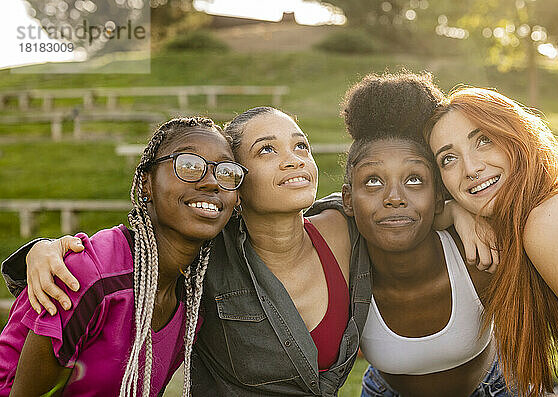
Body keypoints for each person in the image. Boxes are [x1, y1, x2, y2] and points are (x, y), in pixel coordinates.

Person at [2, 107, 489, 396]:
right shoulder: (207, 254)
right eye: (266, 151)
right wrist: (41, 250)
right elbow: (135, 247)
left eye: (299, 145)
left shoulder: (345, 225)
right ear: (235, 179)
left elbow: (400, 208)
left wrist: (459, 207)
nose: (293, 159)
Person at [0, 116, 246, 396]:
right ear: (146, 184)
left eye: (227, 172)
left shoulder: (191, 300)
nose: (212, 182)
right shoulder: (91, 275)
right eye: (189, 166)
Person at [340, 73, 511, 396]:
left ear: (438, 195)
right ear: (348, 199)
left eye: (415, 179)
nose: (394, 197)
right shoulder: (337, 262)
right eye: (373, 181)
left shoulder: (480, 252)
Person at [424, 87, 558, 396]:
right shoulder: (548, 205)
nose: (471, 169)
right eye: (448, 159)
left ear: (517, 136)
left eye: (484, 140)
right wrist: (456, 212)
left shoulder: (551, 219)